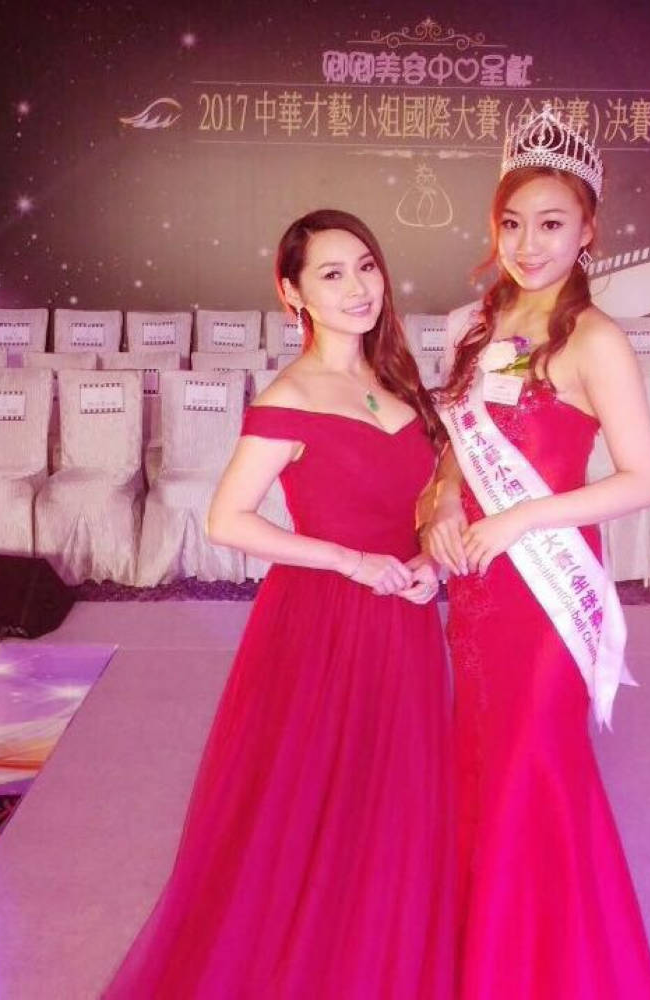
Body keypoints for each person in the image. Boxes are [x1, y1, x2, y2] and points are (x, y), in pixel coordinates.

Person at [105, 209, 452, 999]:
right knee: (310, 804)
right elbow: (228, 519)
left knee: (393, 798)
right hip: (322, 623)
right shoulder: (288, 397)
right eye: (331, 274)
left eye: (366, 266)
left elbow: (430, 497)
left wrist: (429, 560)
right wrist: (349, 561)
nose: (358, 287)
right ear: (291, 294)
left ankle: (382, 955)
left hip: (403, 615)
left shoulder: (398, 381)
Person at [421, 107, 650, 997]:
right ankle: (493, 956)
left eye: (550, 224)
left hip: (545, 590)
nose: (526, 245)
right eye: (510, 224)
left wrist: (521, 520)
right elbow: (452, 447)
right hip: (477, 589)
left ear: (587, 230)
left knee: (534, 766)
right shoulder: (476, 324)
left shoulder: (596, 340)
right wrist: (439, 498)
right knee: (479, 759)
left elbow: (643, 480)